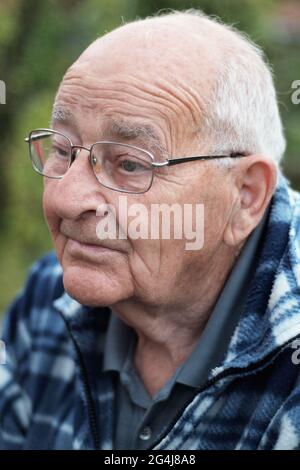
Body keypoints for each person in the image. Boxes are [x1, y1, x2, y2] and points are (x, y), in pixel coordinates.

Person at [0, 9, 300, 450]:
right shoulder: (46, 303)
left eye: (130, 164)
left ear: (245, 195)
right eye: (63, 150)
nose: (65, 199)